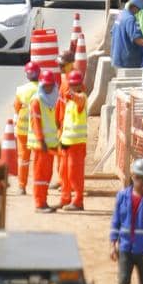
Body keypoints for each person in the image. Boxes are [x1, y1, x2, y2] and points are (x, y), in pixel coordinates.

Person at [27, 67, 63, 212]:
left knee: (47, 175)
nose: (48, 88)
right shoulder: (36, 101)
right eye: (45, 85)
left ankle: (44, 201)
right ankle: (39, 203)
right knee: (40, 175)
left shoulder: (56, 98)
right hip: (40, 145)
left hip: (52, 143)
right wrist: (41, 141)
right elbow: (36, 124)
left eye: (50, 85)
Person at [58, 68, 88, 211]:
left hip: (77, 145)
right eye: (71, 84)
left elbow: (79, 100)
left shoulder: (81, 97)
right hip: (66, 143)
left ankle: (78, 201)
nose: (72, 87)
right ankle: (65, 199)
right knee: (63, 172)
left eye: (75, 84)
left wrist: (71, 95)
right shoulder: (69, 102)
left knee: (74, 173)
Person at [13, 61, 41, 194]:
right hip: (38, 131)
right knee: (38, 159)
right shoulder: (43, 88)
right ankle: (38, 186)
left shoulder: (21, 90)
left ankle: (21, 186)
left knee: (23, 159)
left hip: (23, 130)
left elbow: (16, 107)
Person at [111, 0, 143, 70]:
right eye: (139, 9)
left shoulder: (120, 14)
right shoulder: (130, 19)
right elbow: (136, 38)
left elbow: (112, 32)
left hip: (116, 58)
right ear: (134, 7)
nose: (139, 11)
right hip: (127, 61)